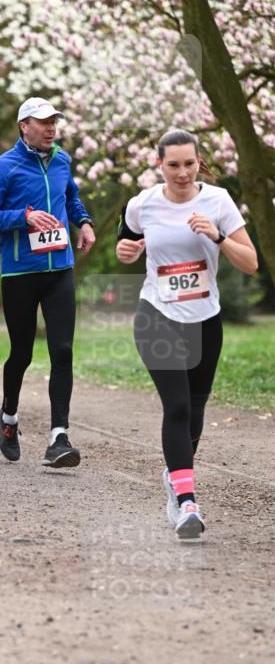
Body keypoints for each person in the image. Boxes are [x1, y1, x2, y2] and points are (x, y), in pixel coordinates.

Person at [117, 128, 257, 539]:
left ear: (199, 163)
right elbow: (125, 244)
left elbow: (250, 262)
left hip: (204, 320)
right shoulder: (142, 204)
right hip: (156, 316)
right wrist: (126, 252)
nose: (181, 172)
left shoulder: (218, 201)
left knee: (195, 415)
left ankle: (175, 476)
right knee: (176, 408)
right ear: (159, 165)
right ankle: (186, 503)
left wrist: (217, 236)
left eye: (189, 164)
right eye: (173, 164)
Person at [0, 96, 95, 466]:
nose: (51, 128)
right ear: (23, 126)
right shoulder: (3, 167)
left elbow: (71, 197)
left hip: (59, 268)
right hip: (21, 272)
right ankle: (9, 417)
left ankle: (59, 436)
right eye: (42, 122)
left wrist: (85, 222)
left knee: (62, 350)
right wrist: (24, 217)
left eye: (54, 121)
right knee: (22, 354)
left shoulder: (61, 159)